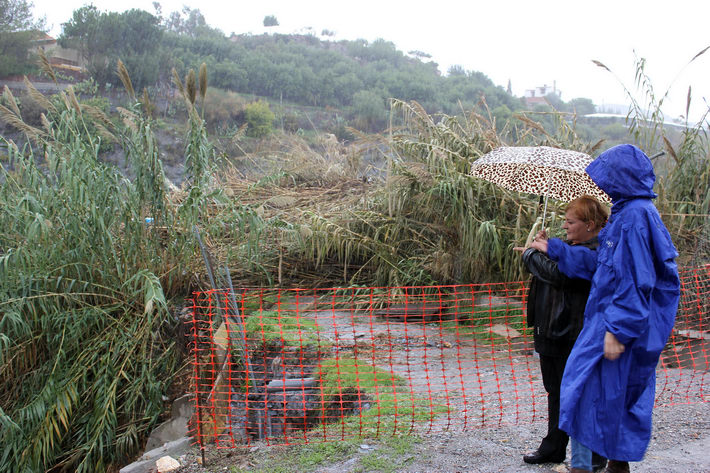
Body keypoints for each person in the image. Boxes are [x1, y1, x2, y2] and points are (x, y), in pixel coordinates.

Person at [530, 144, 680, 473]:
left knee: (587, 393)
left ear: (621, 177)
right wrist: (553, 247)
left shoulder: (634, 218)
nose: (601, 184)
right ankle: (614, 465)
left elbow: (636, 278)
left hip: (616, 325)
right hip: (610, 320)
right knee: (613, 396)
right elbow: (602, 264)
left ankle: (583, 466)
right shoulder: (629, 213)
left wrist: (618, 330)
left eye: (607, 176)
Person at [514, 195, 608, 471]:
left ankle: (592, 454)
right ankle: (554, 446)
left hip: (572, 332)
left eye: (570, 222)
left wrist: (532, 253)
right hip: (550, 329)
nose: (565, 227)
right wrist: (545, 248)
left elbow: (558, 274)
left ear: (590, 224)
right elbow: (554, 262)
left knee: (579, 393)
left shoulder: (594, 252)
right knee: (554, 391)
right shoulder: (572, 247)